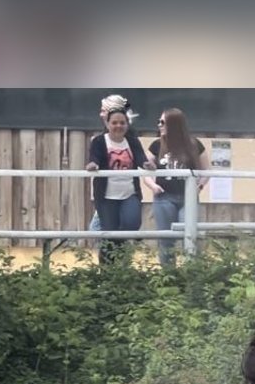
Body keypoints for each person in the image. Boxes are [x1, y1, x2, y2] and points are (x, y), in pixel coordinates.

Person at [85, 107, 153, 265]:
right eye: (114, 122)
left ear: (127, 125)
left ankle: (119, 262)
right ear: (107, 124)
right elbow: (94, 157)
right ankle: (108, 267)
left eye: (122, 122)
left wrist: (146, 164)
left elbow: (140, 158)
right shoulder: (99, 141)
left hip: (130, 192)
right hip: (106, 196)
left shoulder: (133, 141)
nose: (118, 126)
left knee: (132, 223)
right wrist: (93, 164)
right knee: (110, 233)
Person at [142, 107, 207, 268]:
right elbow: (144, 170)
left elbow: (207, 171)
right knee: (166, 239)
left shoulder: (194, 144)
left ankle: (192, 272)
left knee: (190, 236)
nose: (159, 125)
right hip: (164, 197)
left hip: (188, 197)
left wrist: (200, 186)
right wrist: (152, 185)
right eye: (158, 122)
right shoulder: (156, 145)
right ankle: (169, 275)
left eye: (163, 122)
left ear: (175, 124)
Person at [89, 94, 139, 236]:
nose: (101, 113)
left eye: (103, 110)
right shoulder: (101, 138)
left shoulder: (125, 136)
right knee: (103, 228)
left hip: (120, 191)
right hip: (106, 190)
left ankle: (115, 254)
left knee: (98, 230)